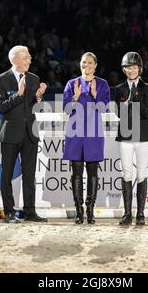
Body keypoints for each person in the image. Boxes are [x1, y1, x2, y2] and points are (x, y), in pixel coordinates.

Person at [0, 45, 48, 223]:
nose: (29, 61)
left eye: (29, 58)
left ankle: (30, 212)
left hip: (30, 134)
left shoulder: (34, 78)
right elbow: (1, 107)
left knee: (29, 175)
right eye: (26, 58)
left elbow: (34, 106)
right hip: (10, 134)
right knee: (7, 174)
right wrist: (18, 94)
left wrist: (38, 97)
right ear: (15, 60)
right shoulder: (1, 80)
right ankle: (9, 212)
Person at [63, 52, 110, 224]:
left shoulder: (103, 84)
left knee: (92, 173)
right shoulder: (71, 84)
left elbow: (104, 108)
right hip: (75, 134)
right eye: (84, 62)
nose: (86, 65)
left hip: (93, 134)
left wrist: (95, 93)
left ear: (95, 65)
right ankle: (79, 210)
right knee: (76, 173)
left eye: (90, 63)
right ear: (80, 64)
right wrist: (75, 96)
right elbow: (67, 110)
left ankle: (90, 209)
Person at [115, 52, 148, 226]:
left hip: (143, 134)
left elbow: (146, 112)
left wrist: (135, 97)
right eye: (128, 67)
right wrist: (128, 103)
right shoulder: (120, 88)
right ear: (124, 70)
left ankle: (140, 214)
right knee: (126, 172)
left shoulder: (147, 88)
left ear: (140, 68)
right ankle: (127, 213)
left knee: (141, 173)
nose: (131, 70)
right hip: (125, 134)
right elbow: (119, 114)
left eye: (134, 67)